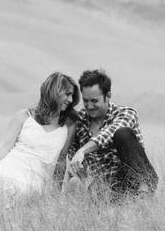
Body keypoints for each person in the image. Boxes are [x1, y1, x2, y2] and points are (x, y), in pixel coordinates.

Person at [0, 72, 78, 199]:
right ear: (54, 91)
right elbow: (4, 146)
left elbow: (62, 160)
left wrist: (56, 193)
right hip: (9, 168)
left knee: (23, 191)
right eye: (67, 94)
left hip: (36, 181)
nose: (71, 100)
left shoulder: (69, 125)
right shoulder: (24, 116)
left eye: (72, 95)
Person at [66, 69, 157, 200]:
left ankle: (145, 194)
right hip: (108, 187)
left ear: (108, 96)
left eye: (94, 101)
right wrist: (89, 183)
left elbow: (111, 132)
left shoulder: (126, 113)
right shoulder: (78, 121)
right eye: (86, 101)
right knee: (74, 183)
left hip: (135, 176)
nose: (89, 106)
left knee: (123, 134)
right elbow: (75, 160)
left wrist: (83, 150)